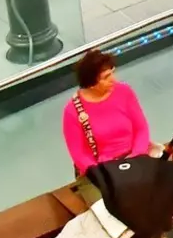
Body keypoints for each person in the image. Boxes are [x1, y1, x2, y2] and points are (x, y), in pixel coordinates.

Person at [62, 48, 155, 177]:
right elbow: (79, 155)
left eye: (112, 73)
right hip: (103, 171)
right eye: (106, 77)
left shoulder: (124, 91)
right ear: (91, 84)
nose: (113, 79)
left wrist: (137, 156)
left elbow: (141, 128)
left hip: (135, 158)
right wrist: (104, 174)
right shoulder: (72, 111)